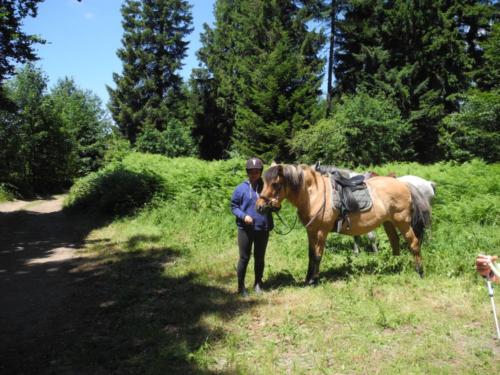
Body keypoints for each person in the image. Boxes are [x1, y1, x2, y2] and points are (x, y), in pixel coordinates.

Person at [230, 157, 273, 296]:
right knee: (244, 258)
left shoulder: (267, 187)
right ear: (247, 172)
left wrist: (276, 205)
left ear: (261, 172)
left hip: (263, 228)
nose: (254, 174)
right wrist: (244, 216)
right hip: (245, 230)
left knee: (260, 258)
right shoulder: (240, 188)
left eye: (257, 171)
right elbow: (234, 207)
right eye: (251, 171)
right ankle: (241, 287)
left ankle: (258, 284)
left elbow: (275, 208)